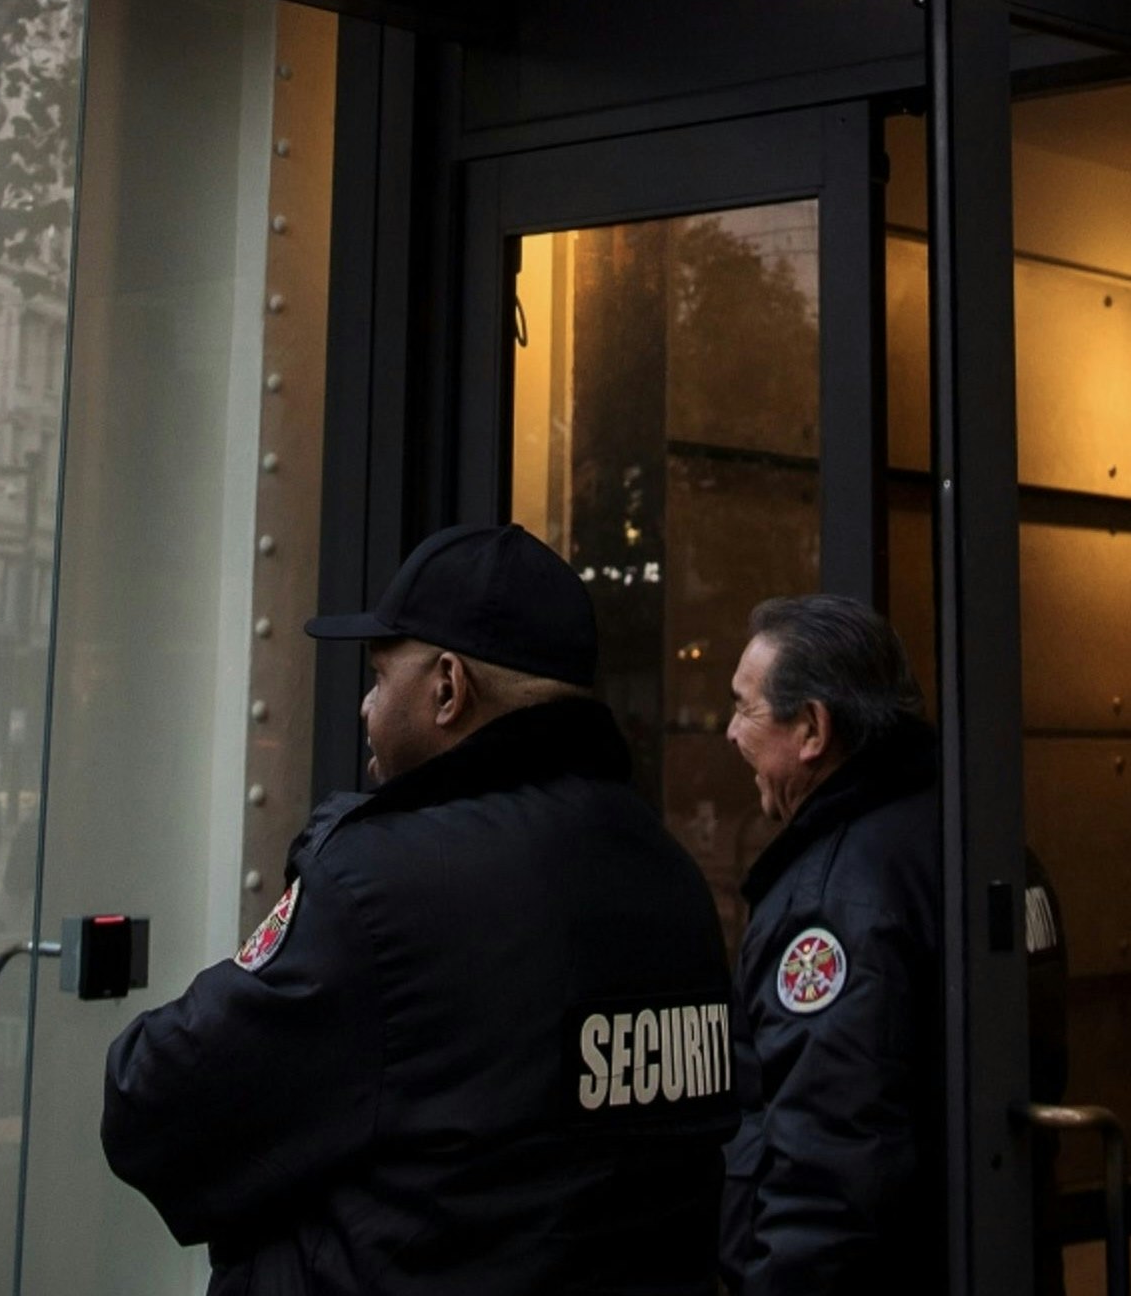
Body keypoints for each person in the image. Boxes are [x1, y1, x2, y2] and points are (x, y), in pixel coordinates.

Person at [103, 521, 732, 1295]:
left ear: (447, 687)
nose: (365, 708)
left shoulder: (382, 887)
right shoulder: (672, 880)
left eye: (378, 677)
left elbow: (152, 1098)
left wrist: (333, 857)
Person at [721, 594, 944, 1296]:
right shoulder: (964, 830)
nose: (730, 732)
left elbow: (825, 1168)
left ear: (812, 729)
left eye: (746, 708)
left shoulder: (834, 901)